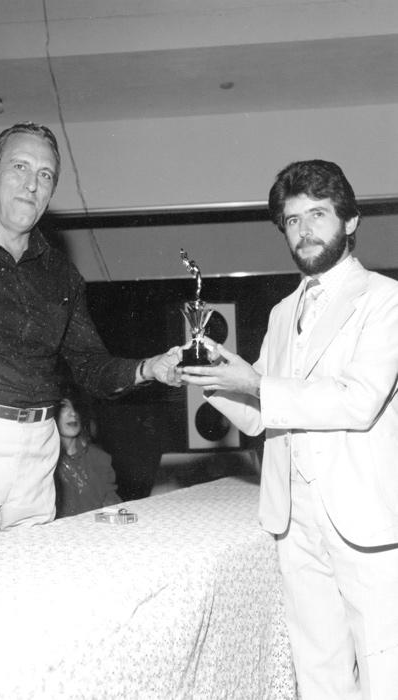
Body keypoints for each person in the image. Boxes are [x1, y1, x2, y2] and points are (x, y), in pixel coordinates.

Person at [0, 121, 179, 554]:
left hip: (37, 450)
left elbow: (89, 363)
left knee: (28, 590)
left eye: (45, 175)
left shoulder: (61, 274)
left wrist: (148, 368)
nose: (32, 184)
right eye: (20, 167)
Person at [179, 160, 398, 700]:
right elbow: (260, 414)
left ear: (350, 222)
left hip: (365, 523)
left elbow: (358, 401)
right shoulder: (282, 313)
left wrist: (253, 383)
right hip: (293, 519)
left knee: (384, 673)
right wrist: (209, 379)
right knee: (318, 673)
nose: (304, 230)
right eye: (293, 219)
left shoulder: (385, 300)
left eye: (317, 215)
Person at [54, 385, 120, 517]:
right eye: (64, 406)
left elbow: (112, 504)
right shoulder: (43, 464)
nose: (73, 413)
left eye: (76, 406)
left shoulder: (100, 458)